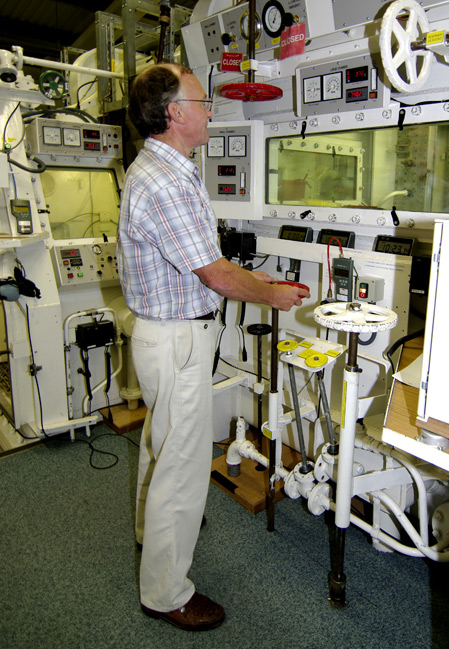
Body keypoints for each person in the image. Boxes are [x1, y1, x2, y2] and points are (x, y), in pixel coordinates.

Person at [116, 63, 309, 632]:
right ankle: (166, 592)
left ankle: (153, 531)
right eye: (202, 101)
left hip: (164, 335)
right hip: (176, 339)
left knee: (161, 443)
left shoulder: (161, 168)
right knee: (180, 466)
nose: (209, 110)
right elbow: (216, 274)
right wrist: (273, 294)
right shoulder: (167, 180)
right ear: (174, 112)